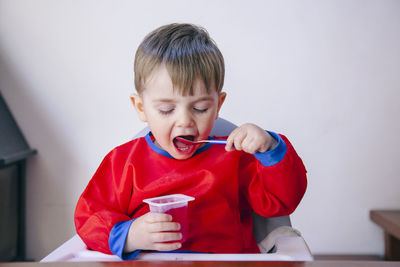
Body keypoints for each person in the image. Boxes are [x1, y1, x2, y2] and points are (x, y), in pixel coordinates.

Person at [74, 23, 307, 260]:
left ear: (218, 105)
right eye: (166, 109)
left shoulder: (235, 157)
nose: (185, 121)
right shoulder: (123, 163)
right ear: (141, 108)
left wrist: (270, 149)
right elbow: (88, 218)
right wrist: (130, 235)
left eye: (200, 108)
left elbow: (280, 202)